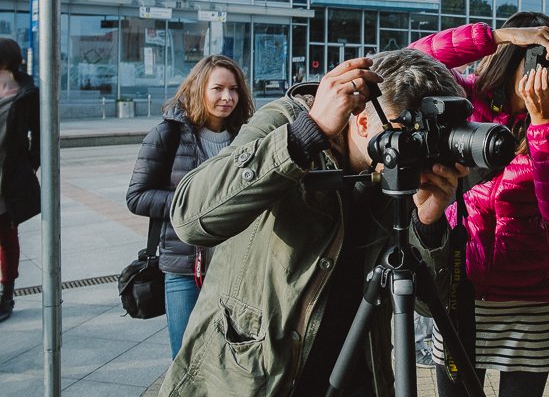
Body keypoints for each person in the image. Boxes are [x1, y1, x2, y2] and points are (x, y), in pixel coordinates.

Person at [159, 50, 468, 397]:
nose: (416, 152)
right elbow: (190, 216)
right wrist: (306, 135)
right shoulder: (287, 122)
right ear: (363, 122)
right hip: (258, 375)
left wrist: (428, 224)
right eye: (407, 136)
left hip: (358, 374)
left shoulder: (402, 179)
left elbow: (428, 305)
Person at [409, 12, 549, 397]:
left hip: (530, 298)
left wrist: (543, 123)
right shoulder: (464, 98)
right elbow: (413, 61)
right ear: (512, 56)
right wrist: (496, 36)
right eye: (541, 59)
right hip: (461, 287)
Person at [126, 55, 255, 357]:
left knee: (229, 360)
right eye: (218, 88)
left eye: (234, 89)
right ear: (199, 89)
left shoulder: (246, 137)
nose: (227, 97)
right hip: (184, 267)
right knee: (186, 357)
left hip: (236, 268)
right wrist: (195, 205)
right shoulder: (168, 133)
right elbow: (137, 196)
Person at [0, 38, 40, 323]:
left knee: (5, 236)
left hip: (8, 176)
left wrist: (29, 166)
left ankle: (7, 291)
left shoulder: (26, 93)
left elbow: (38, 134)